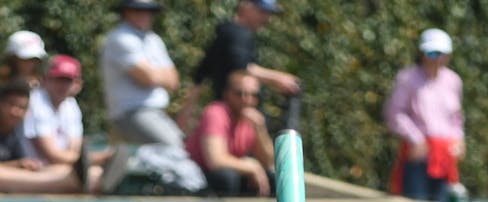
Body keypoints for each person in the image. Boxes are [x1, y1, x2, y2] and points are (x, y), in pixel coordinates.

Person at [184, 0, 299, 131]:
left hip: (230, 117)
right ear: (245, 5)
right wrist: (278, 78)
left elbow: (200, 75)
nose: (267, 19)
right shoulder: (237, 33)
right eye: (262, 11)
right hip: (235, 116)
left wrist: (186, 113)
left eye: (269, 13)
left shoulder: (225, 32)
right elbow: (242, 66)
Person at [384, 28, 465, 202]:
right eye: (431, 53)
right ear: (422, 54)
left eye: (440, 54)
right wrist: (416, 139)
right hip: (417, 157)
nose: (435, 59)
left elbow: (456, 119)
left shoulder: (453, 80)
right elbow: (394, 113)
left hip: (445, 159)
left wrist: (458, 139)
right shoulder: (407, 78)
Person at [101, 0, 183, 147]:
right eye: (138, 10)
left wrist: (153, 75)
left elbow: (174, 80)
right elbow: (147, 78)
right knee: (174, 147)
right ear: (126, 12)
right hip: (131, 113)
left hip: (156, 113)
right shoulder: (120, 38)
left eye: (148, 11)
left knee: (185, 147)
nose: (144, 15)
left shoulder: (154, 40)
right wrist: (157, 75)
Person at [185, 69, 274, 197]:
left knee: (272, 179)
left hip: (229, 172)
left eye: (253, 95)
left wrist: (260, 129)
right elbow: (215, 161)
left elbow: (269, 164)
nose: (247, 99)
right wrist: (252, 167)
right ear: (227, 94)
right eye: (240, 93)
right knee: (227, 177)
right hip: (198, 176)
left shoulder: (252, 120)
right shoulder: (216, 113)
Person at [26, 54, 86, 170]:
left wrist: (79, 159)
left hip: (63, 166)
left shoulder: (71, 104)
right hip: (36, 168)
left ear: (77, 84)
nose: (62, 85)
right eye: (58, 79)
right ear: (45, 80)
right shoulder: (36, 101)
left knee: (94, 174)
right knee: (93, 175)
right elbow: (51, 155)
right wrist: (83, 160)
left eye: (67, 80)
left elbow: (74, 148)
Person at [0, 29, 47, 104]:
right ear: (12, 60)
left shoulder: (44, 87)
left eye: (35, 59)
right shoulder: (0, 88)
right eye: (25, 59)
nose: (32, 63)